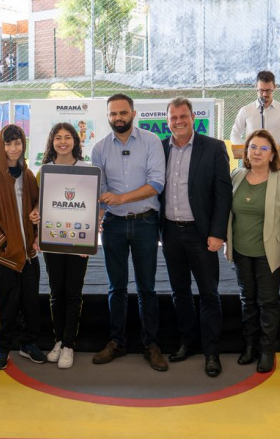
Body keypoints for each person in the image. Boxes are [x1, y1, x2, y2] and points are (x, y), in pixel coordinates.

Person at [91, 93, 168, 371]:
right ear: (108, 116)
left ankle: (151, 344)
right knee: (117, 287)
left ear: (133, 113)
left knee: (147, 287)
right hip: (113, 225)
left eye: (123, 113)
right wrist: (94, 216)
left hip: (145, 222)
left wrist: (122, 198)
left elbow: (157, 184)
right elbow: (98, 192)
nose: (118, 118)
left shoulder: (151, 142)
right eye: (113, 114)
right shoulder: (99, 148)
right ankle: (117, 342)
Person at [159, 97, 232, 377]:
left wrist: (217, 233)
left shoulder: (213, 148)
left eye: (183, 116)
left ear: (193, 117)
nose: (178, 121)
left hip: (201, 234)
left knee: (208, 293)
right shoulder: (160, 149)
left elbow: (223, 193)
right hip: (169, 232)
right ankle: (187, 342)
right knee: (180, 293)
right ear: (168, 120)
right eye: (173, 117)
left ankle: (211, 351)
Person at [227, 130, 280, 374]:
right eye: (253, 147)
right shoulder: (236, 176)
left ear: (273, 155)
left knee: (267, 302)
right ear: (246, 151)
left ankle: (267, 351)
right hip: (241, 251)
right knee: (247, 300)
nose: (257, 152)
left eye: (263, 148)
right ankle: (249, 347)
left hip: (270, 253)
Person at [0, 124, 44, 370]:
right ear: (1, 146)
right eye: (8, 144)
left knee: (30, 304)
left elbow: (38, 206)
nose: (13, 148)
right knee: (7, 306)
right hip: (5, 258)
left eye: (17, 143)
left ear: (23, 146)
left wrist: (37, 223)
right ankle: (3, 347)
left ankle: (28, 344)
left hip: (29, 255)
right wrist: (3, 242)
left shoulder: (27, 175)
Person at [36, 122, 90, 369]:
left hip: (78, 242)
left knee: (73, 292)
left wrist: (87, 240)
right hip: (53, 240)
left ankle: (69, 344)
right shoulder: (45, 170)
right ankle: (58, 340)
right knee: (56, 292)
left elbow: (90, 207)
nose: (63, 142)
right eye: (58, 137)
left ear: (75, 142)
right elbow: (39, 205)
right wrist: (36, 219)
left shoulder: (87, 170)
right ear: (52, 142)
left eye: (68, 137)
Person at [230, 70, 280, 154]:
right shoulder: (245, 110)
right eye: (261, 91)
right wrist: (247, 149)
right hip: (251, 161)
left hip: (275, 160)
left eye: (268, 91)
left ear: (275, 87)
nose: (265, 94)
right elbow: (234, 135)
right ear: (256, 87)